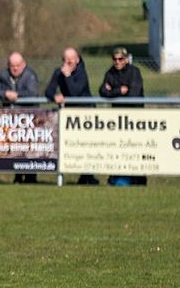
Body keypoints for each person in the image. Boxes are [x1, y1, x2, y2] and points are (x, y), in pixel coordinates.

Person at [45, 47, 98, 185]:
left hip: (86, 114)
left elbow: (75, 93)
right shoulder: (58, 72)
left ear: (77, 60)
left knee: (86, 146)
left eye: (71, 59)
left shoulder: (82, 73)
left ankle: (88, 176)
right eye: (65, 59)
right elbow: (48, 91)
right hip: (70, 117)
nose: (68, 62)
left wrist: (68, 76)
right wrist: (54, 96)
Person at [99, 47, 146, 186]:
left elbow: (133, 95)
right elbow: (102, 91)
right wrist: (119, 90)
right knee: (117, 150)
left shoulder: (134, 72)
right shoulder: (110, 73)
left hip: (134, 120)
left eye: (120, 59)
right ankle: (116, 179)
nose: (117, 62)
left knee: (135, 150)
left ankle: (139, 180)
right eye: (115, 59)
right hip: (117, 120)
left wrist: (112, 91)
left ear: (126, 59)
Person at [0, 52, 40, 183]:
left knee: (29, 149)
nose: (15, 68)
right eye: (12, 66)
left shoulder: (30, 75)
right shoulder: (3, 75)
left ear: (23, 64)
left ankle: (31, 177)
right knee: (15, 149)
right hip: (11, 120)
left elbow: (32, 93)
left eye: (18, 65)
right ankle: (18, 176)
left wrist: (17, 95)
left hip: (28, 119)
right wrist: (5, 94)